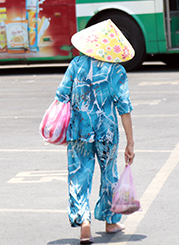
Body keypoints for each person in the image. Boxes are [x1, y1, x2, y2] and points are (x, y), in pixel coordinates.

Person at [54, 19, 136, 244]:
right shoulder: (116, 70)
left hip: (79, 130)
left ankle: (84, 222)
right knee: (109, 174)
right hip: (107, 132)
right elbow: (124, 106)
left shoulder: (76, 64)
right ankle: (110, 222)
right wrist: (130, 142)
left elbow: (61, 95)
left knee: (79, 175)